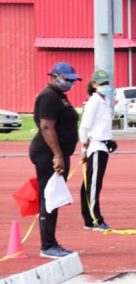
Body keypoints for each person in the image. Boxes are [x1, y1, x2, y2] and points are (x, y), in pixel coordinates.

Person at [29, 62, 81, 259]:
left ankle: (50, 242)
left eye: (72, 81)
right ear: (55, 76)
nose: (70, 84)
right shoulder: (49, 96)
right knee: (49, 198)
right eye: (67, 80)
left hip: (56, 153)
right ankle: (48, 245)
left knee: (53, 197)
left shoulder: (58, 96)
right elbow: (46, 127)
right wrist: (58, 155)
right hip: (48, 154)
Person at [79, 69, 115, 231]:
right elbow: (84, 128)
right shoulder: (94, 102)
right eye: (102, 84)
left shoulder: (105, 101)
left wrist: (111, 139)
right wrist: (83, 149)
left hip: (103, 146)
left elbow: (103, 125)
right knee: (93, 184)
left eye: (107, 83)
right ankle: (96, 219)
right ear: (94, 85)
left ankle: (88, 218)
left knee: (90, 183)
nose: (105, 86)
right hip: (96, 147)